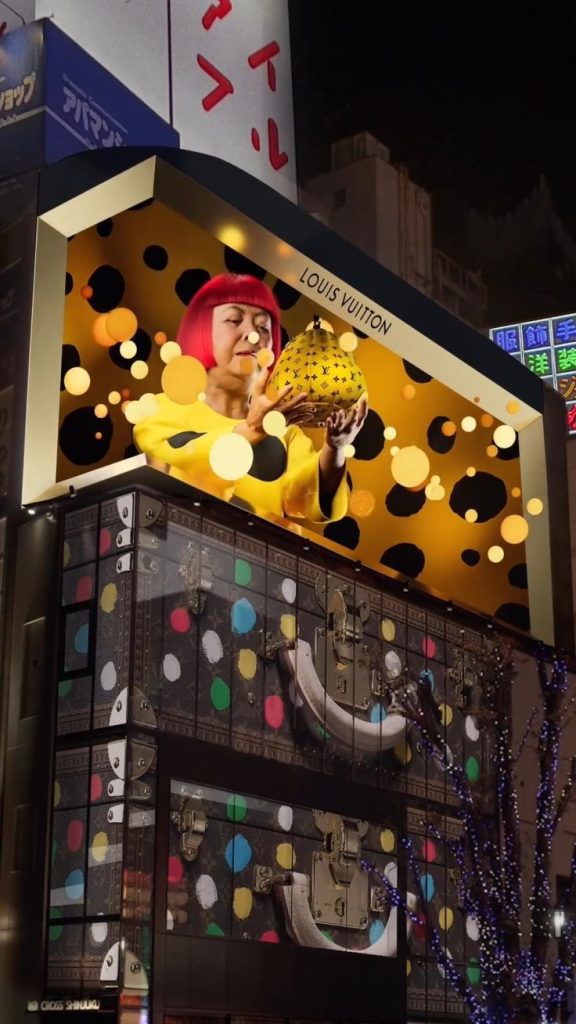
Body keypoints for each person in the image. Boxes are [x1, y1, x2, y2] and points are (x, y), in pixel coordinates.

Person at [134, 273, 368, 523]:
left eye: (263, 327)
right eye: (234, 320)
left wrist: (335, 448)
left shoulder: (287, 435)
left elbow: (309, 499)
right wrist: (254, 429)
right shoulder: (159, 410)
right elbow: (175, 467)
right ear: (200, 331)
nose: (252, 335)